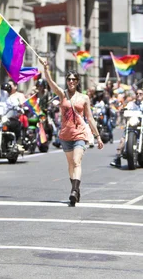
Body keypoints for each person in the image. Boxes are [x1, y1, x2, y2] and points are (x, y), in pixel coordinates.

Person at [39, 58, 104, 206]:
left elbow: (90, 118)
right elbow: (51, 83)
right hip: (65, 134)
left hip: (80, 134)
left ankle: (74, 191)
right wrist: (45, 69)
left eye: (74, 79)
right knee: (70, 165)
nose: (71, 81)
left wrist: (98, 136)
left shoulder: (84, 98)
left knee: (76, 161)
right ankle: (76, 189)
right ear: (67, 81)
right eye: (69, 79)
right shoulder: (62, 95)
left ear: (78, 81)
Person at [110, 88, 143, 168]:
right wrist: (122, 109)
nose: (138, 95)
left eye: (140, 94)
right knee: (122, 140)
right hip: (133, 125)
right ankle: (117, 158)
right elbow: (125, 108)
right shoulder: (131, 104)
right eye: (137, 94)